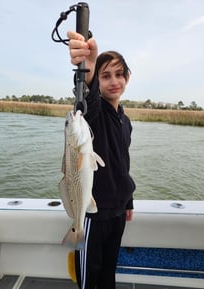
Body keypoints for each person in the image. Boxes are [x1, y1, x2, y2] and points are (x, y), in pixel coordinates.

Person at [67, 30, 136, 289]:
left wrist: (127, 200)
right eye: (105, 76)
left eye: (119, 74)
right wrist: (88, 67)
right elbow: (87, 97)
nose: (113, 81)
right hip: (92, 213)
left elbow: (123, 164)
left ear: (127, 77)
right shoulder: (92, 115)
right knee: (89, 278)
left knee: (109, 271)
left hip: (118, 212)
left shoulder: (125, 121)